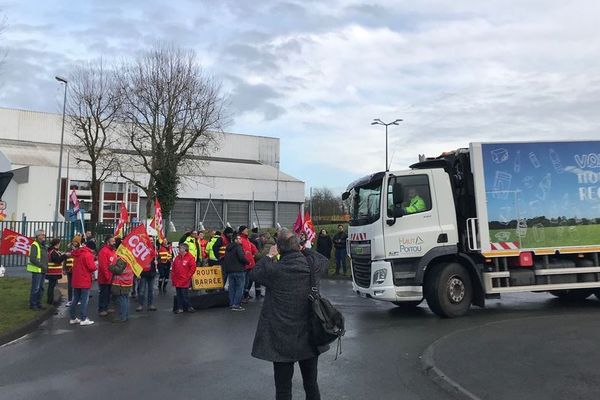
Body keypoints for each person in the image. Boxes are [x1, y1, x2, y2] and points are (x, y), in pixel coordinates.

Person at [250, 229, 328, 400]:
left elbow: (255, 273)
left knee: (283, 389)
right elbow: (323, 259)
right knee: (311, 384)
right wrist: (304, 249)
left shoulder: (275, 271)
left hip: (281, 340)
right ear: (298, 246)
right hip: (309, 337)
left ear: (279, 249)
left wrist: (270, 256)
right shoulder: (312, 267)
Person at [70, 242, 97, 326]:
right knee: (84, 300)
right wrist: (96, 265)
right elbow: (91, 267)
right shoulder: (88, 255)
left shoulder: (78, 253)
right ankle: (83, 318)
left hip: (76, 279)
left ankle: (73, 318)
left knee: (75, 299)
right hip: (84, 279)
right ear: (92, 248)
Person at [223, 233, 248, 311]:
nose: (240, 240)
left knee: (232, 288)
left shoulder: (228, 248)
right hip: (239, 270)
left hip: (230, 270)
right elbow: (241, 257)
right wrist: (247, 262)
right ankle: (236, 304)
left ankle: (232, 303)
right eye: (239, 238)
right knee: (239, 288)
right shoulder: (238, 247)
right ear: (235, 240)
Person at [171, 242, 196, 314]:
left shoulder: (190, 257)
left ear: (185, 249)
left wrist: (188, 276)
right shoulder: (177, 257)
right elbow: (174, 267)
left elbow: (193, 268)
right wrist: (173, 277)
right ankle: (180, 308)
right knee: (179, 295)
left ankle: (189, 307)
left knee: (185, 295)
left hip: (184, 280)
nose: (179, 249)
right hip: (177, 279)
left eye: (180, 248)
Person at [27, 230, 48, 311]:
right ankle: (33, 304)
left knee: (41, 288)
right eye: (42, 235)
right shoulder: (35, 245)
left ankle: (39, 303)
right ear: (38, 236)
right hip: (37, 270)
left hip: (42, 270)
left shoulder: (43, 245)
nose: (44, 236)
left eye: (44, 235)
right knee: (36, 288)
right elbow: (32, 258)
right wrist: (42, 265)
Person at [97, 235, 116, 317]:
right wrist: (107, 276)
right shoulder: (104, 251)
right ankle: (102, 309)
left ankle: (106, 307)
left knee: (108, 293)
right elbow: (103, 266)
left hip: (111, 276)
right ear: (108, 242)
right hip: (105, 277)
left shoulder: (112, 250)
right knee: (104, 293)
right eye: (112, 241)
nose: (114, 243)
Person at [109, 257, 133, 322]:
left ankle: (122, 316)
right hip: (128, 281)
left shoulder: (122, 259)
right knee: (126, 299)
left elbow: (118, 270)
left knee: (122, 300)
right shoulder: (130, 257)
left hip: (121, 283)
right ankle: (126, 315)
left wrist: (111, 266)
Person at [239, 225, 259, 302]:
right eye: (246, 230)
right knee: (243, 281)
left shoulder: (247, 239)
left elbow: (253, 249)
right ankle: (242, 296)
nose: (247, 230)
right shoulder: (241, 239)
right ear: (242, 231)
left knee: (247, 281)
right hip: (245, 264)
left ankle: (245, 295)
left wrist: (256, 253)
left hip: (250, 264)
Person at [137, 242, 158, 312]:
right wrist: (138, 273)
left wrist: (157, 261)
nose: (151, 241)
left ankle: (150, 304)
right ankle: (140, 305)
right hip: (143, 274)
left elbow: (159, 258)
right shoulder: (141, 251)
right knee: (142, 291)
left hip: (151, 273)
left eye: (152, 240)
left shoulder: (154, 250)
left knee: (151, 290)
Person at [46, 239, 67, 307]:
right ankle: (50, 301)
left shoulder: (53, 251)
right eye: (59, 243)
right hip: (52, 272)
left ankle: (50, 300)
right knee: (51, 286)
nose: (60, 244)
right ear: (57, 244)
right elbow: (57, 260)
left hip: (52, 272)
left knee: (51, 286)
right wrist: (64, 256)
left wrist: (63, 254)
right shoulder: (53, 252)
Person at [64, 235, 81, 306]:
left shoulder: (80, 250)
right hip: (69, 269)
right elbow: (65, 259)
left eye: (76, 242)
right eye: (73, 241)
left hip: (77, 270)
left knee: (77, 285)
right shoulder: (68, 249)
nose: (74, 243)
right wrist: (64, 269)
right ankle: (70, 300)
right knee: (70, 285)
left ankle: (77, 299)